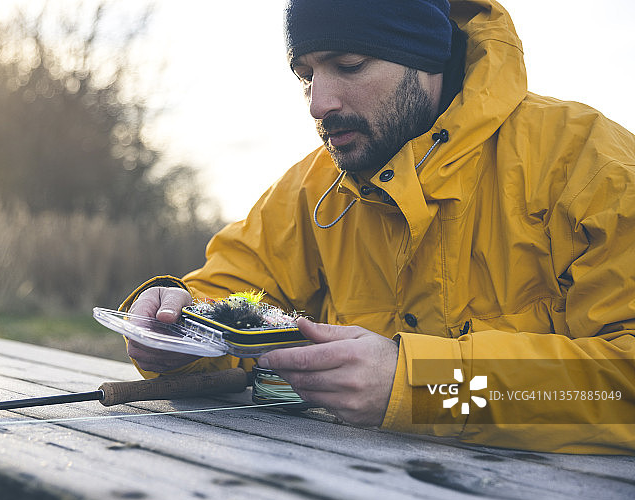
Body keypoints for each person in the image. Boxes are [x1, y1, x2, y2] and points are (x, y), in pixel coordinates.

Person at [121, 0, 635, 454]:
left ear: (425, 56)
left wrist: (422, 385)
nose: (319, 103)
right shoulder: (311, 188)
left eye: (349, 65)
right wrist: (177, 326)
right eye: (306, 75)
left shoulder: (591, 165)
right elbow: (230, 295)